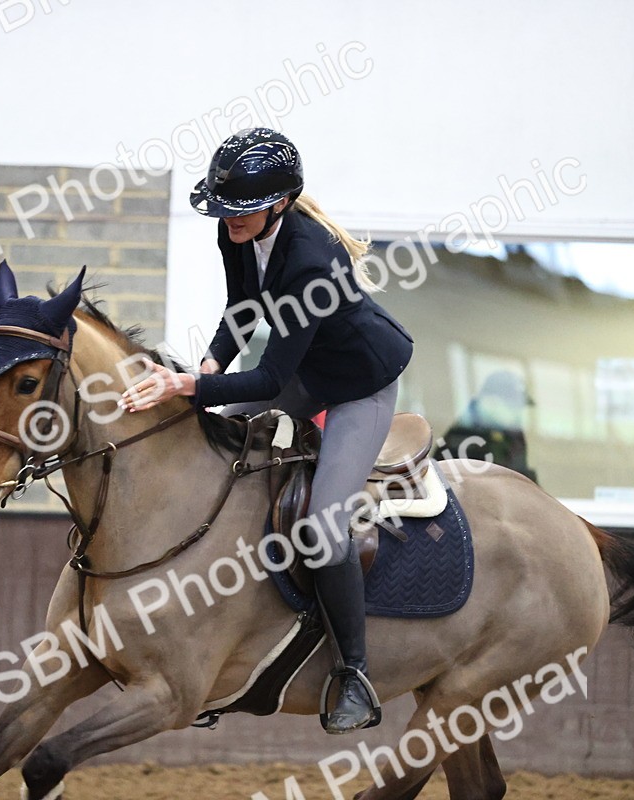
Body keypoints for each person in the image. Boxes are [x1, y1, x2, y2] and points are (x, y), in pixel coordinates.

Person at [119, 127, 414, 734]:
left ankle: (353, 673)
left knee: (327, 530)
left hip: (361, 384)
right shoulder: (238, 228)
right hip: (309, 367)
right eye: (224, 210)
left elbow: (270, 376)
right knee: (207, 439)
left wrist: (186, 387)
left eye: (242, 210)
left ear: (279, 204)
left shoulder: (311, 261)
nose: (229, 221)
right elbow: (241, 308)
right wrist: (208, 366)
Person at [439, 370, 538, 483]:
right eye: (512, 406)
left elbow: (519, 475)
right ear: (491, 401)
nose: (518, 413)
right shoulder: (464, 435)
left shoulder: (513, 435)